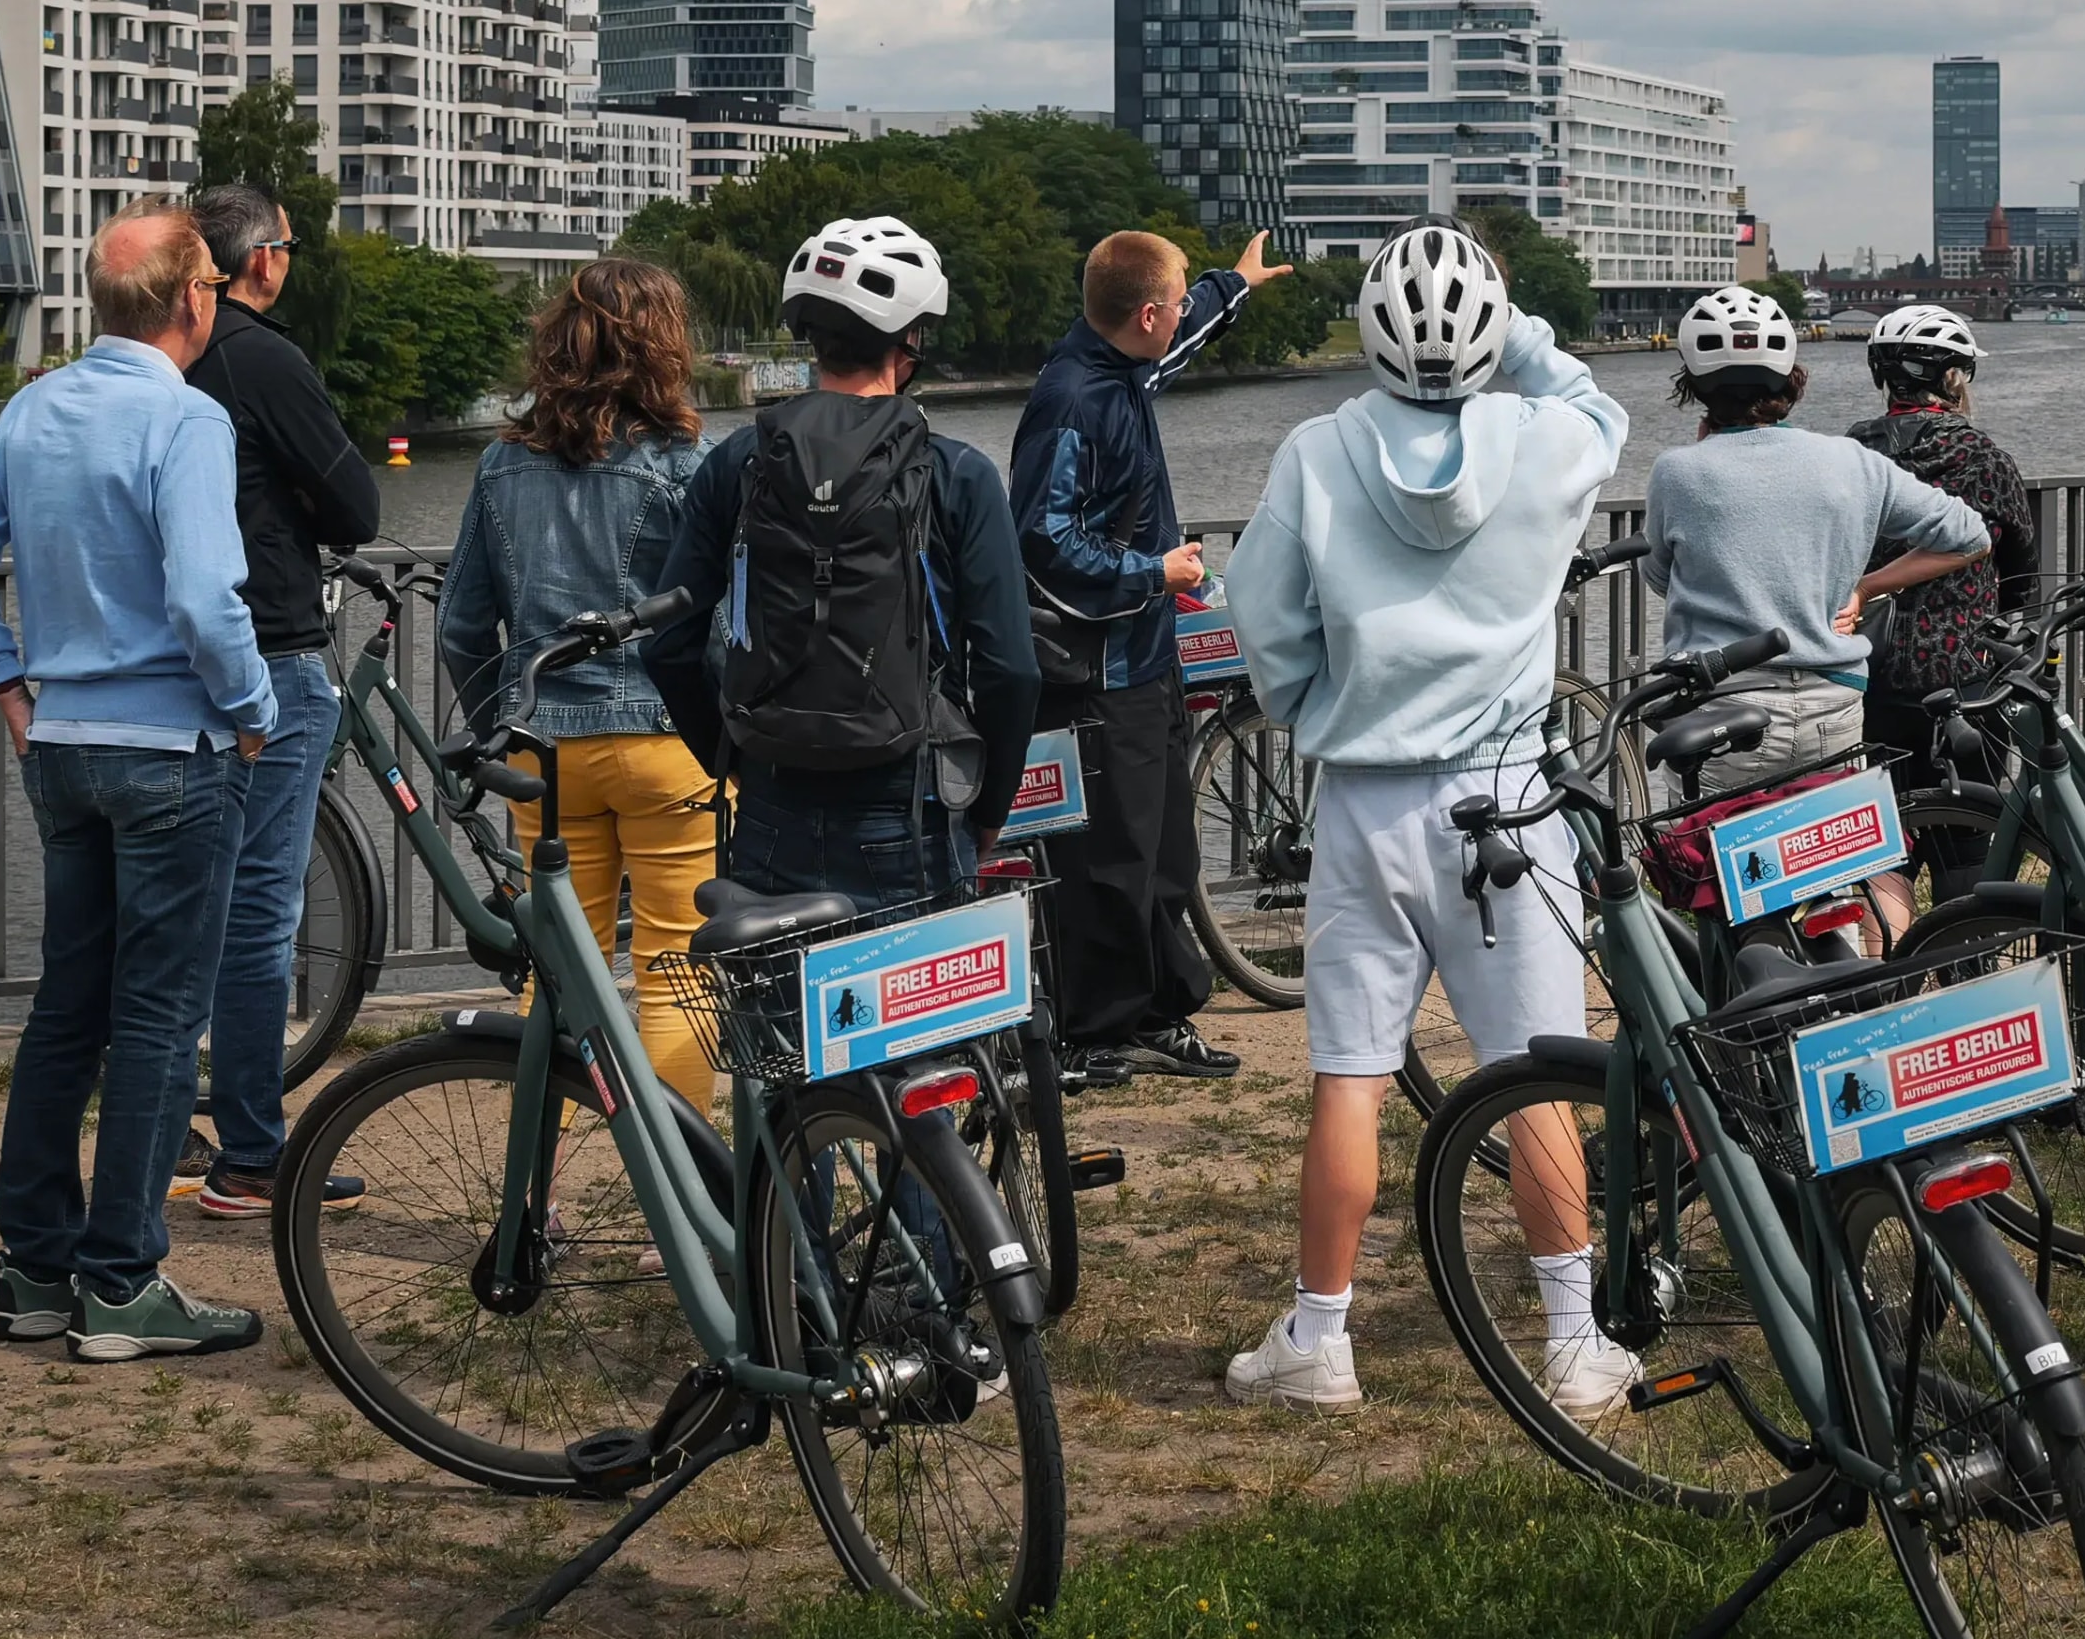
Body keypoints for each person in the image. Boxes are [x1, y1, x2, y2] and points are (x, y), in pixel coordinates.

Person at [1218, 223, 1631, 1415]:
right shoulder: (1551, 442)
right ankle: (1571, 1339)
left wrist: (1315, 704)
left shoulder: (1316, 450)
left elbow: (1265, 612)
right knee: (1532, 1068)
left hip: (1366, 799)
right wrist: (1521, 337)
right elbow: (1597, 402)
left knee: (1348, 1072)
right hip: (1507, 796)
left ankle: (1321, 1337)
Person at [0, 204, 277, 1358]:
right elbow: (207, 599)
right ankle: (123, 1285)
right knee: (162, 1021)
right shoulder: (190, 419)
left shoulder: (34, 408)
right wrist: (254, 713)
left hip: (63, 748)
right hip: (173, 751)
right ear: (192, 301)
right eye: (215, 282)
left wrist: (10, 688)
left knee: (66, 1013)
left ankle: (34, 1270)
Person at [649, 216, 1041, 916]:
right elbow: (1010, 666)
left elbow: (668, 644)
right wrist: (991, 806)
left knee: (773, 1019)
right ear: (909, 341)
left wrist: (734, 756)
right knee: (921, 1022)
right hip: (911, 808)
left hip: (771, 806)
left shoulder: (738, 463)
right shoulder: (957, 473)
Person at [1007, 226, 1289, 1081]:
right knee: (1107, 861)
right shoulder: (1074, 400)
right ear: (1145, 313)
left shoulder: (1124, 367)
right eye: (1173, 308)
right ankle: (1098, 1030)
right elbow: (1042, 539)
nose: (1178, 322)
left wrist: (1233, 285)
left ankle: (1161, 1012)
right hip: (1094, 672)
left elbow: (1183, 327)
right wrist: (1152, 571)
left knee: (1165, 849)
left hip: (1145, 656)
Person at [440, 258, 720, 1106]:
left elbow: (460, 625)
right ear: (664, 346)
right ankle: (680, 1217)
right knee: (676, 973)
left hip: (548, 757)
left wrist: (506, 727)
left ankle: (535, 1205)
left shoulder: (500, 465)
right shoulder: (686, 464)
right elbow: (716, 621)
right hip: (669, 746)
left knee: (561, 976)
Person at [1643, 288, 1989, 935]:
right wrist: (1866, 587)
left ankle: (1736, 1015)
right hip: (1834, 707)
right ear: (1791, 381)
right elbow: (1968, 534)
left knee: (1723, 895)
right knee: (1830, 884)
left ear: (1695, 388)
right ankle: (1840, 1005)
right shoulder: (1851, 462)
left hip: (1728, 716)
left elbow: (1663, 574)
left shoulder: (1678, 472)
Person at [176, 182, 379, 1215]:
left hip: (162, 667)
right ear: (262, 263)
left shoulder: (154, 361)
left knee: (173, 903)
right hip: (272, 654)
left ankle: (166, 1124)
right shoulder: (264, 358)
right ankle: (253, 1155)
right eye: (287, 247)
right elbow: (357, 500)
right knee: (261, 910)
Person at [1842, 304, 2035, 894]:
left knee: (1883, 848)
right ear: (1955, 378)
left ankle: (1891, 973)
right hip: (1964, 681)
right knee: (1968, 844)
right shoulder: (1981, 457)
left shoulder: (1849, 455)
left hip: (1866, 677)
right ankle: (1966, 967)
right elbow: (2019, 573)